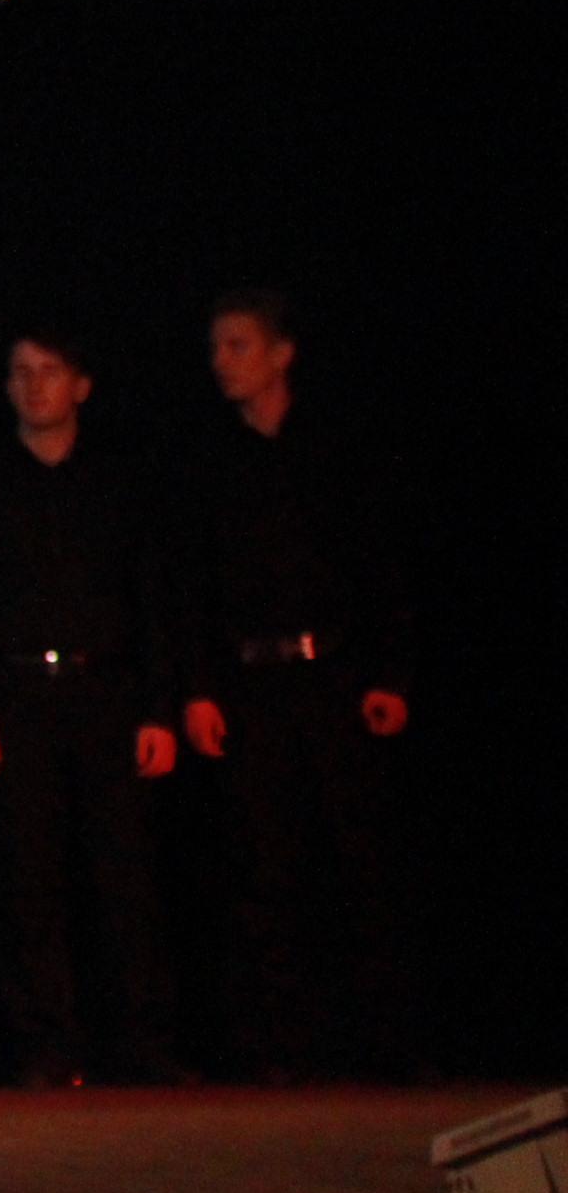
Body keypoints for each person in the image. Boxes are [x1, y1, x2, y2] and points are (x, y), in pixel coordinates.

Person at [172, 289, 422, 1079]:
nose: (222, 362)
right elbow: (193, 587)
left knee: (359, 859)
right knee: (263, 867)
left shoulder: (334, 451)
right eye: (216, 348)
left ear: (282, 354)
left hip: (333, 676)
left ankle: (385, 1042)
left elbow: (380, 569)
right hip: (252, 682)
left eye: (239, 345)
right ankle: (279, 1046)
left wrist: (389, 675)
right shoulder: (212, 462)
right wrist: (199, 689)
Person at [0, 327, 179, 1087]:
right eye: (21, 372)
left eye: (50, 371)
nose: (35, 385)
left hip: (107, 690)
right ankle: (45, 1046)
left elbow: (152, 599)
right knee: (28, 884)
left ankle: (140, 1041)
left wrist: (157, 708)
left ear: (82, 385)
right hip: (17, 691)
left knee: (125, 878)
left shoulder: (119, 481)